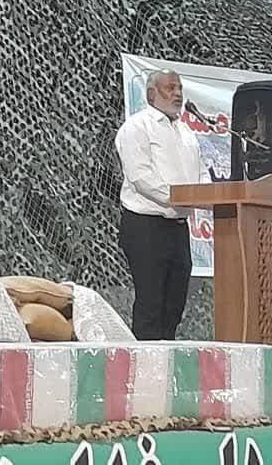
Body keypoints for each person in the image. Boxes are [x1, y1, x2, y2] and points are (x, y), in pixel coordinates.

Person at [114, 69, 203, 340]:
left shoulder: (187, 132)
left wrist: (208, 196)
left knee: (174, 304)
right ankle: (145, 362)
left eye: (180, 88)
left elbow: (198, 175)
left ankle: (166, 359)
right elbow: (140, 177)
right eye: (170, 88)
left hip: (178, 227)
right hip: (146, 226)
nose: (177, 94)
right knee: (151, 303)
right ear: (152, 94)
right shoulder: (136, 127)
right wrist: (176, 197)